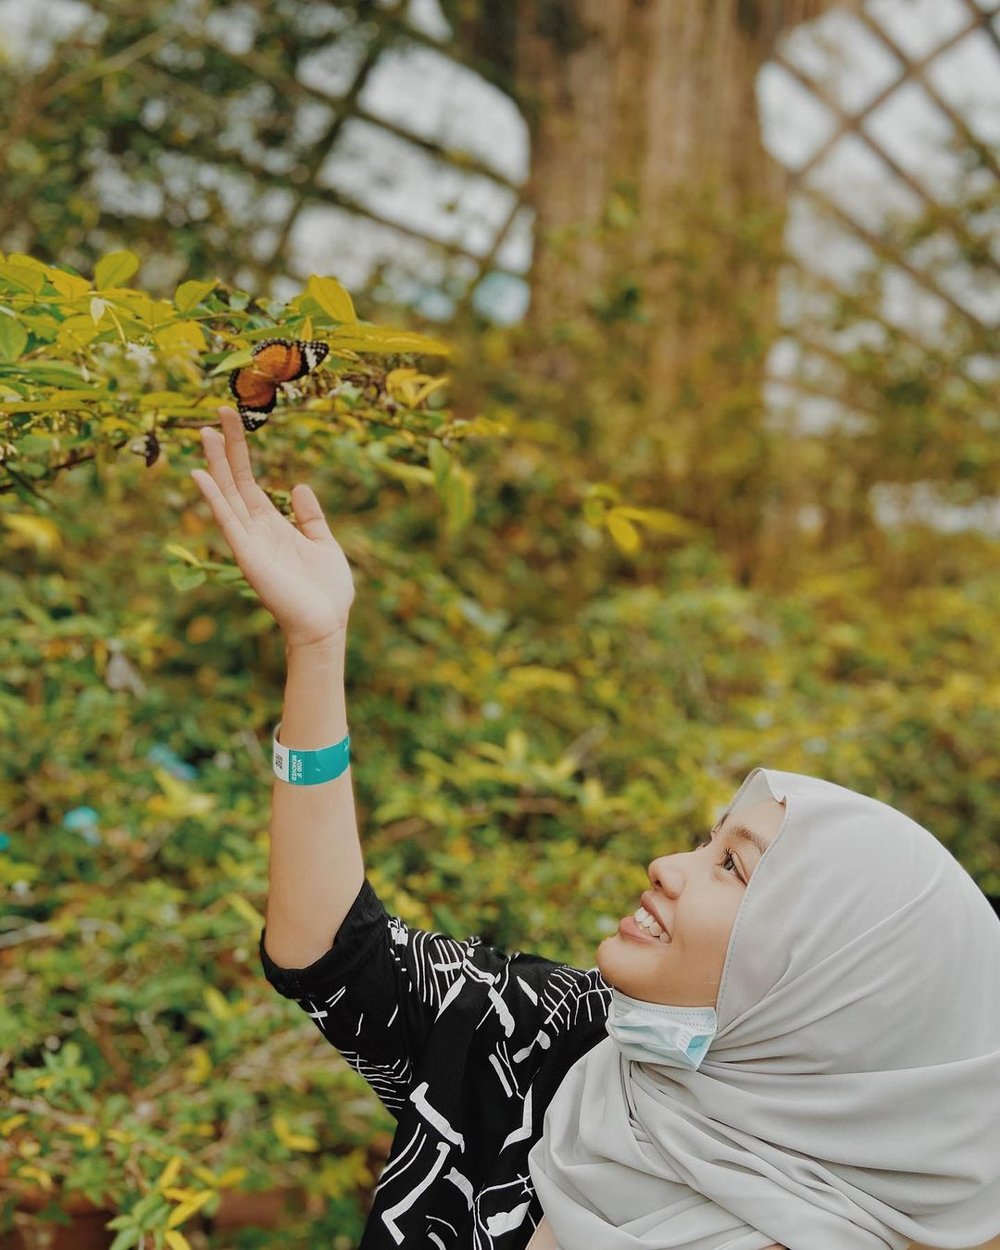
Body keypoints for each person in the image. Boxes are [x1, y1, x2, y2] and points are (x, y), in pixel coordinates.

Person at [191, 408, 1000, 1250]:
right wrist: (318, 646)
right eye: (707, 841)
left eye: (734, 869)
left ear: (831, 994)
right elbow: (338, 956)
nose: (668, 865)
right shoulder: (561, 1038)